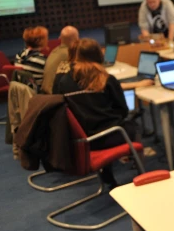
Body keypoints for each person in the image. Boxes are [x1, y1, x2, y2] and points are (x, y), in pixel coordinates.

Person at [53, 38, 139, 188]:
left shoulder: (63, 81)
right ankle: (142, 174)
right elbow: (123, 110)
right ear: (98, 55)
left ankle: (108, 175)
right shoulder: (107, 79)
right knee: (133, 127)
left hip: (80, 140)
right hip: (109, 136)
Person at [41, 26, 79, 94]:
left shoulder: (54, 51)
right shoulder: (71, 54)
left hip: (45, 93)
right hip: (55, 96)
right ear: (76, 39)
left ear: (60, 38)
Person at [15, 26, 49, 91]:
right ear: (41, 41)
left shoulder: (19, 55)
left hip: (25, 92)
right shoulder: (43, 61)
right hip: (41, 93)